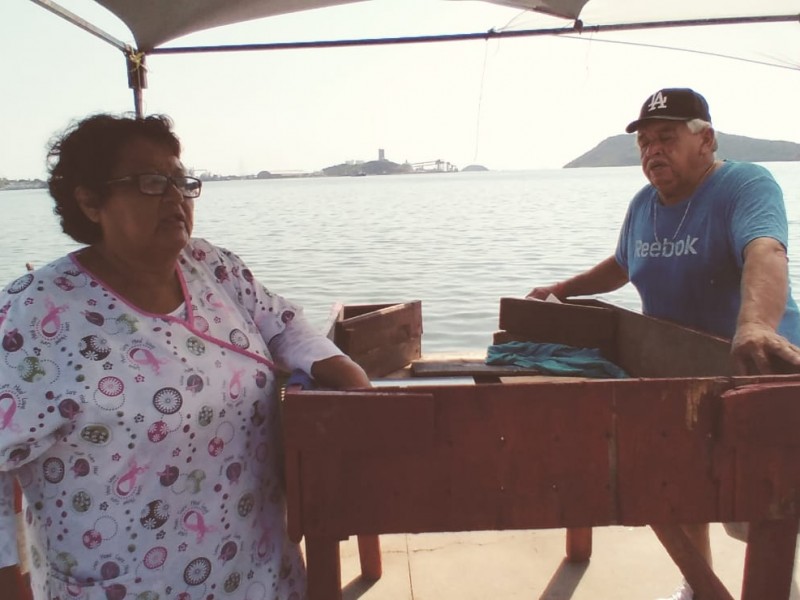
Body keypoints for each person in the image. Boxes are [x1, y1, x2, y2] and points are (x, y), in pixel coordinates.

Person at [0, 113, 371, 600]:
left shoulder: (212, 265)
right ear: (90, 201)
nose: (175, 197)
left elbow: (282, 324)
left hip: (260, 570)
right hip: (124, 583)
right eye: (150, 183)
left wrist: (341, 371)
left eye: (180, 181)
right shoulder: (31, 315)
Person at [528, 87, 800, 600]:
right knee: (680, 491)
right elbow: (622, 265)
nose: (653, 150)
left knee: (758, 508)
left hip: (756, 371)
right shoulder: (642, 205)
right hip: (672, 377)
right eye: (646, 142)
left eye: (667, 138)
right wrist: (563, 290)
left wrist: (757, 324)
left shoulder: (745, 184)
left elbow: (765, 249)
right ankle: (698, 588)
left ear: (706, 140)